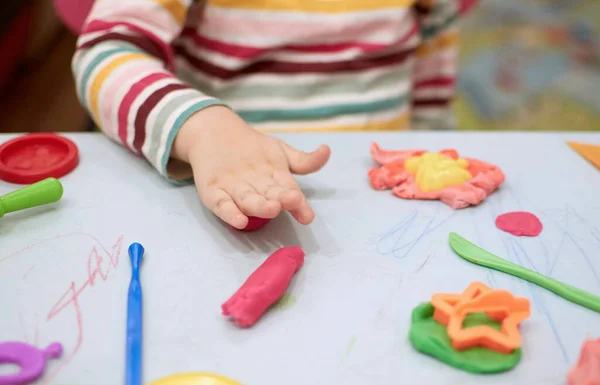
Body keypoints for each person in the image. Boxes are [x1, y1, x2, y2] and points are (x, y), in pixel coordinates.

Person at [72, 0, 478, 229]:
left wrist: (434, 165)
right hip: (231, 203)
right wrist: (201, 128)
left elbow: (431, 96)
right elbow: (104, 52)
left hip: (387, 206)